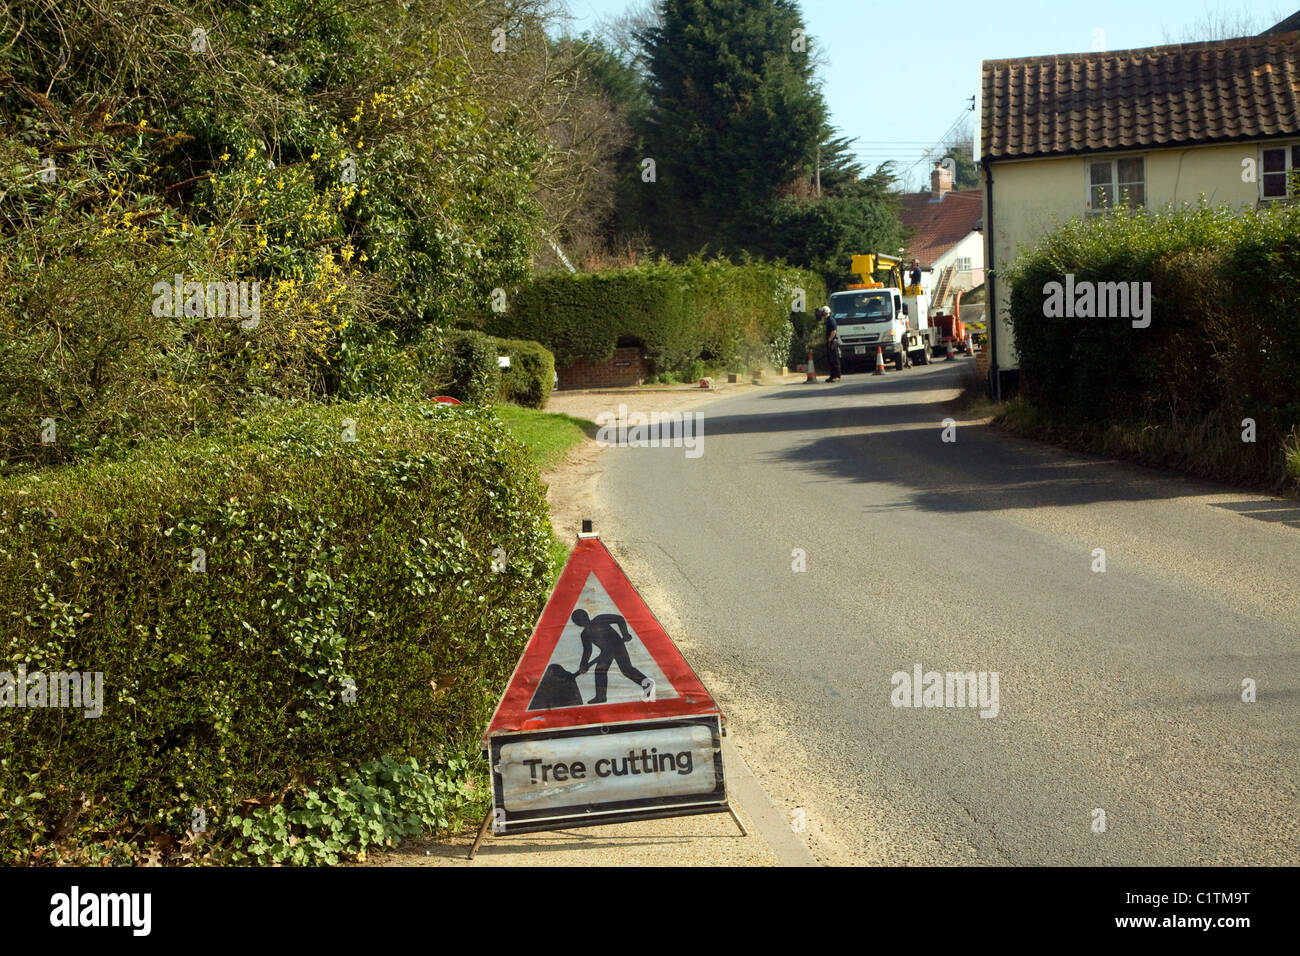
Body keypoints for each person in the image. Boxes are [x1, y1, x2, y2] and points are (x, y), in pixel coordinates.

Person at [571, 609, 651, 704]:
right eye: (579, 621)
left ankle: (648, 685)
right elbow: (587, 651)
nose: (581, 622)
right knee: (600, 671)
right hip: (606, 652)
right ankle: (601, 696)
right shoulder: (584, 634)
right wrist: (583, 665)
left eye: (581, 619)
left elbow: (619, 619)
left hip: (617, 645)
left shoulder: (599, 619)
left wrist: (625, 633)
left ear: (586, 616)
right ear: (577, 624)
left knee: (626, 669)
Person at [819, 305, 841, 382]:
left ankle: (837, 376)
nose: (821, 315)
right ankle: (832, 376)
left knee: (834, 359)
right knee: (830, 359)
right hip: (830, 342)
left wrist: (829, 339)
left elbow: (834, 331)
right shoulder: (828, 320)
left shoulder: (831, 320)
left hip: (833, 342)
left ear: (825, 313)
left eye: (822, 313)